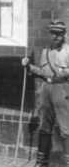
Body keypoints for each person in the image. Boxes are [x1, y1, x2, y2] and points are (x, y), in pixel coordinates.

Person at [22, 21, 69, 167]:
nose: (55, 36)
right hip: (45, 88)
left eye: (59, 33)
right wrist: (28, 66)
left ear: (64, 34)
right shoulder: (45, 51)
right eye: (53, 33)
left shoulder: (68, 51)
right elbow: (42, 72)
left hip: (62, 89)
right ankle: (42, 162)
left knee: (66, 128)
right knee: (44, 125)